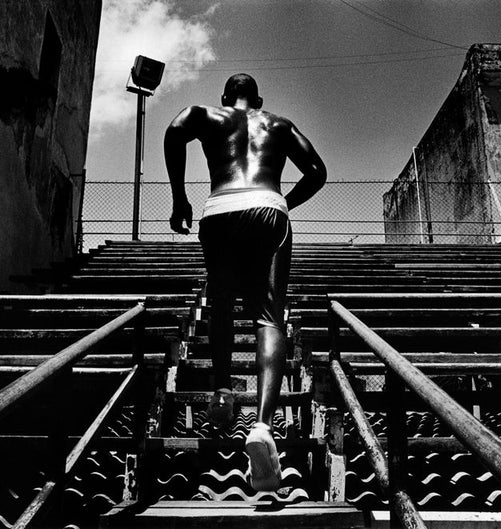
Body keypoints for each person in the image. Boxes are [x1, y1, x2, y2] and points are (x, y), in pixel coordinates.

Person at [164, 73, 326, 491]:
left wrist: (179, 197)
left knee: (220, 305)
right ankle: (263, 425)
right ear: (258, 99)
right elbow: (317, 171)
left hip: (219, 208)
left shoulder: (206, 113)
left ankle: (221, 391)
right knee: (269, 315)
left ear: (225, 97)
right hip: (268, 205)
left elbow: (174, 130)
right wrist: (283, 201)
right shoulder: (279, 123)